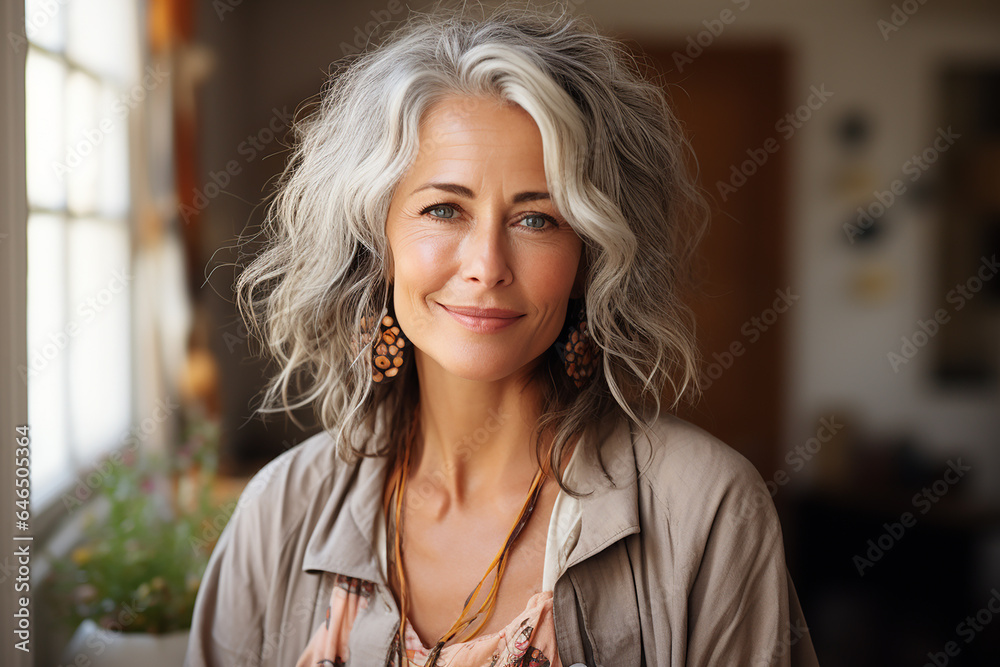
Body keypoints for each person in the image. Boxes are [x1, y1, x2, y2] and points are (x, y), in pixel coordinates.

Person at [185, 2, 821, 666]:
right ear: (377, 242)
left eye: (537, 218)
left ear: (590, 255)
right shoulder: (278, 511)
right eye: (444, 209)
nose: (486, 266)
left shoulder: (707, 508)